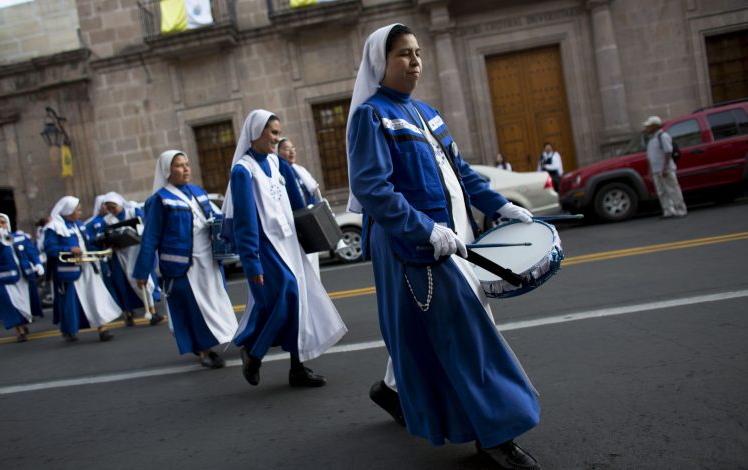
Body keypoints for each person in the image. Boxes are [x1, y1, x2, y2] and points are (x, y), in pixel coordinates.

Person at [347, 24, 541, 469]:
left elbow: (462, 174)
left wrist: (501, 205)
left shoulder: (428, 113)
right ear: (380, 62)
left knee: (440, 335)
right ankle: (495, 436)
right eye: (403, 54)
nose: (415, 61)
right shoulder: (371, 116)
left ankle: (396, 392)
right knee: (467, 337)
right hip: (417, 247)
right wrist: (424, 231)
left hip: (457, 240)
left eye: (417, 52)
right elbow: (374, 189)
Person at [223, 110, 347, 387]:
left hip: (289, 243)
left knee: (301, 301)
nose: (278, 139)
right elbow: (244, 221)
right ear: (256, 133)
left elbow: (296, 202)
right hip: (266, 246)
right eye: (273, 133)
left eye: (279, 133)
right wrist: (252, 262)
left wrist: (314, 231)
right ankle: (253, 353)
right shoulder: (243, 170)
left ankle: (297, 368)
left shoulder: (277, 163)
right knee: (288, 294)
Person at [133, 150, 237, 369]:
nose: (186, 168)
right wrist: (143, 271)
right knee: (194, 307)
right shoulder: (159, 201)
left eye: (187, 164)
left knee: (216, 301)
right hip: (183, 265)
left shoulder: (197, 192)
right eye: (179, 165)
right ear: (167, 171)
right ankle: (205, 351)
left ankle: (226, 336)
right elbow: (150, 238)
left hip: (208, 260)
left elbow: (214, 218)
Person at [43, 196, 121, 342]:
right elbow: (50, 248)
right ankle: (69, 329)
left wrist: (104, 246)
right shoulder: (53, 227)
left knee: (95, 296)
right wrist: (69, 249)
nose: (80, 213)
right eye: (77, 210)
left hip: (87, 266)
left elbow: (87, 243)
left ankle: (102, 328)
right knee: (71, 301)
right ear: (68, 211)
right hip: (69, 270)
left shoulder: (77, 224)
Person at [102, 191, 163, 326]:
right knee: (128, 282)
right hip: (122, 254)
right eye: (109, 208)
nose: (112, 211)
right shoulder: (107, 220)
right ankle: (132, 311)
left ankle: (152, 310)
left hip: (137, 250)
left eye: (113, 207)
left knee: (146, 280)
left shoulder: (133, 211)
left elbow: (144, 225)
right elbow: (104, 237)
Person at [0, 213, 44, 342]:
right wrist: (1, 243)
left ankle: (24, 322)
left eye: (2, 222)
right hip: (4, 278)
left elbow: (31, 252)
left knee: (24, 301)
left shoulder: (20, 237)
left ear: (8, 223)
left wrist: (37, 263)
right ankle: (20, 330)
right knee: (11, 303)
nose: (0, 225)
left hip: (23, 275)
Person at [277, 137, 322, 278]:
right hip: (296, 226)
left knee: (313, 270)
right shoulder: (281, 170)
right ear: (277, 152)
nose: (292, 152)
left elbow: (309, 194)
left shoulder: (299, 170)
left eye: (293, 148)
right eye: (286, 149)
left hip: (308, 222)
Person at [643, 115, 687, 218]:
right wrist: (650, 172)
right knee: (661, 191)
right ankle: (668, 210)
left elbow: (668, 152)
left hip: (665, 169)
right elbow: (650, 158)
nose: (647, 128)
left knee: (672, 189)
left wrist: (665, 167)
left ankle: (681, 209)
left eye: (649, 126)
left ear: (655, 126)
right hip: (656, 171)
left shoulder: (663, 136)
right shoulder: (651, 140)